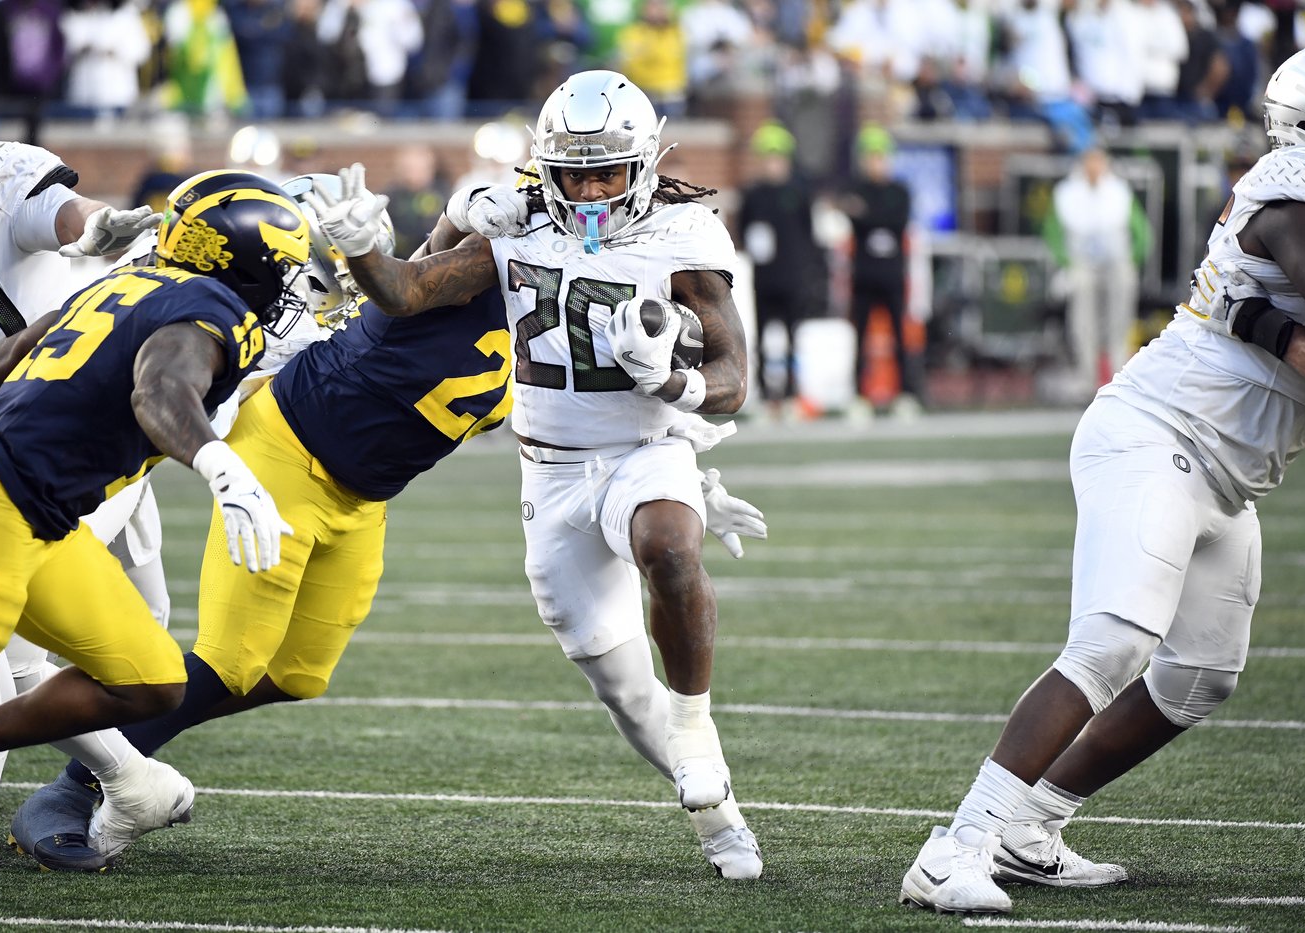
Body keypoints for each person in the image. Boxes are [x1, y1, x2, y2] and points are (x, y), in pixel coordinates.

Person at [11, 170, 768, 871]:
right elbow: (406, 284)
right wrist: (447, 216)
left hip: (361, 498)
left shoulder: (561, 337)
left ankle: (101, 760)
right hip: (284, 456)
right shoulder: (479, 279)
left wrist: (684, 484)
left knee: (294, 674)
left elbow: (592, 426)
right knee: (229, 661)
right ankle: (88, 781)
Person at [305, 69, 765, 879]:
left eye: (606, 172)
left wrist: (673, 382)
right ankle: (718, 817)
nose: (588, 190)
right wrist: (359, 245)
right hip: (550, 472)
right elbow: (407, 293)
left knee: (668, 543)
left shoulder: (682, 234)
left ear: (644, 165)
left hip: (644, 446)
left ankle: (695, 723)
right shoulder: (518, 223)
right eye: (572, 173)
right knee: (625, 692)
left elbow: (733, 375)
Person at [899, 43, 1305, 914]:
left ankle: (1032, 825)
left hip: (1226, 473)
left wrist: (1272, 331)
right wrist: (1277, 335)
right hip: (1159, 433)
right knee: (1112, 642)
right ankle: (956, 846)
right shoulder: (1290, 194)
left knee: (1199, 675)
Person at [0, 168, 308, 889]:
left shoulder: (122, 283)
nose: (285, 287)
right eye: (281, 267)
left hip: (42, 518)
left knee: (151, 680)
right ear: (244, 261)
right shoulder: (213, 307)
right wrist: (222, 467)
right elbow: (159, 389)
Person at [0, 84, 188, 903]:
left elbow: (70, 218)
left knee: (43, 633)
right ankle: (113, 787)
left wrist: (96, 229)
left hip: (60, 424)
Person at [1042, 146, 1153, 402]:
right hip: (1081, 262)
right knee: (1082, 306)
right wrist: (1066, 261)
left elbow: (1141, 231)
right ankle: (1086, 373)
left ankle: (1119, 369)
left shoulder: (1119, 192)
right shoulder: (1066, 194)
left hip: (1117, 260)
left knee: (1123, 295)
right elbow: (1052, 233)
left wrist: (1133, 258)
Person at [737, 119, 828, 422]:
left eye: (777, 159)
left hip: (792, 277)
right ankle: (765, 395)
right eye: (767, 159)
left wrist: (809, 271)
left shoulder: (798, 193)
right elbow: (744, 230)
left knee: (792, 337)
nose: (772, 165)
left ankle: (790, 393)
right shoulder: (754, 195)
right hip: (765, 278)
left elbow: (809, 234)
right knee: (762, 338)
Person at [842, 123, 919, 419]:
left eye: (880, 156)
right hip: (864, 276)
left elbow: (897, 221)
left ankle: (906, 393)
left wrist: (867, 215)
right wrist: (870, 217)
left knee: (900, 334)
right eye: (871, 157)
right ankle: (859, 395)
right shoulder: (857, 189)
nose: (876, 163)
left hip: (892, 276)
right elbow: (856, 218)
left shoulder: (899, 191)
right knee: (860, 336)